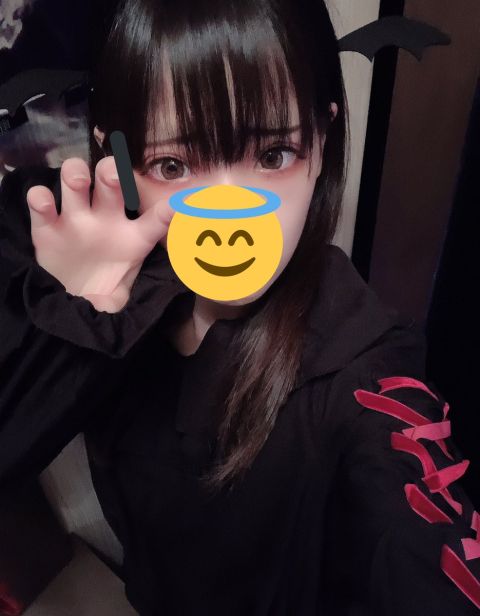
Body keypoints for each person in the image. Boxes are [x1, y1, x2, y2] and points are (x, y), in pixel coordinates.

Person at [1, 0, 479, 614]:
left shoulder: (362, 377)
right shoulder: (104, 289)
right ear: (118, 159)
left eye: (273, 155)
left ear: (321, 142)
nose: (228, 216)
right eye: (173, 164)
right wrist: (79, 321)